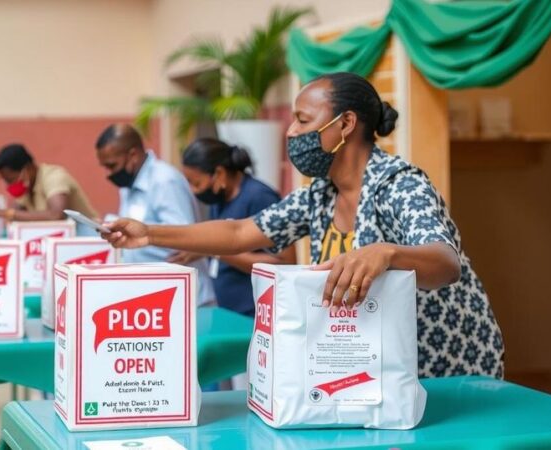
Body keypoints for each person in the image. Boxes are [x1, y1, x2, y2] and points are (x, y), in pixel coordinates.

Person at [101, 72, 504, 379]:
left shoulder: (398, 184)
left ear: (345, 125)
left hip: (446, 372)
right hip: (375, 372)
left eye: (303, 120)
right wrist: (149, 232)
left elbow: (445, 263)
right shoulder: (320, 194)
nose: (291, 131)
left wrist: (388, 252)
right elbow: (240, 232)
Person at [95, 124, 215, 306]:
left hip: (186, 299)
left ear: (133, 155)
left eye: (112, 166)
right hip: (153, 295)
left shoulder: (164, 181)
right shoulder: (128, 184)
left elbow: (184, 239)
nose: (108, 174)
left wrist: (147, 235)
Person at [178, 138, 296, 316]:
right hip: (227, 309)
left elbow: (286, 262)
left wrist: (216, 250)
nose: (194, 191)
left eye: (197, 183)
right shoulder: (219, 198)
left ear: (219, 173)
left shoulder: (260, 197)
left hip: (255, 312)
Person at [0, 143, 98, 225]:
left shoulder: (54, 176)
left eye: (11, 181)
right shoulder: (27, 186)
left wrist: (4, 213)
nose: (9, 186)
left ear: (28, 169)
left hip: (88, 238)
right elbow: (17, 213)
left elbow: (56, 215)